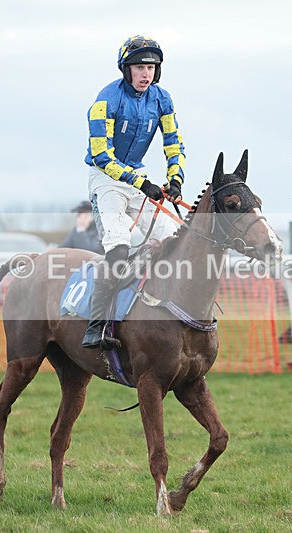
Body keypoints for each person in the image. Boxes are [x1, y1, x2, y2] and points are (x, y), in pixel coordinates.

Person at [81, 35, 186, 348]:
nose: (146, 74)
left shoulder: (162, 98)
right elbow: (101, 155)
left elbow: (173, 143)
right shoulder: (105, 99)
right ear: (126, 70)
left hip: (139, 177)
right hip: (106, 179)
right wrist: (141, 183)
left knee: (175, 241)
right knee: (118, 250)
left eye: (152, 68)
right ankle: (96, 326)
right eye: (140, 67)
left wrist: (175, 178)